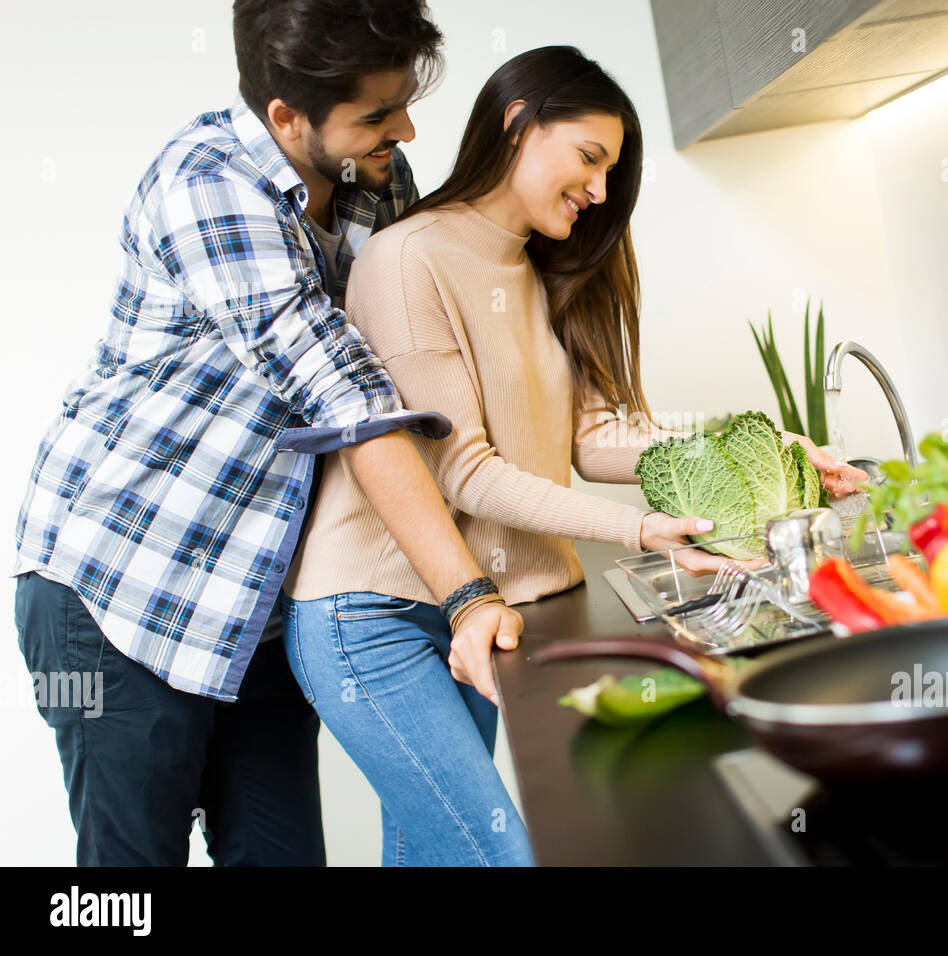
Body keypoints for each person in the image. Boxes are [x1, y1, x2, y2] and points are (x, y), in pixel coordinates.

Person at [281, 45, 865, 868]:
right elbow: (464, 471)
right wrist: (642, 532)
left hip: (491, 605)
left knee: (430, 853)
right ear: (519, 124)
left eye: (609, 170)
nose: (598, 190)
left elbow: (594, 440)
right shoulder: (407, 259)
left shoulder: (550, 268)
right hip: (369, 617)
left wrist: (773, 449)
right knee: (498, 855)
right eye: (588, 158)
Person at [12, 0, 523, 866]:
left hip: (255, 601)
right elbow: (346, 395)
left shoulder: (375, 175)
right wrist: (467, 596)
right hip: (114, 594)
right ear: (285, 116)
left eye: (403, 100)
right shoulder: (204, 182)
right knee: (126, 884)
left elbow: (420, 341)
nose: (403, 127)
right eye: (375, 113)